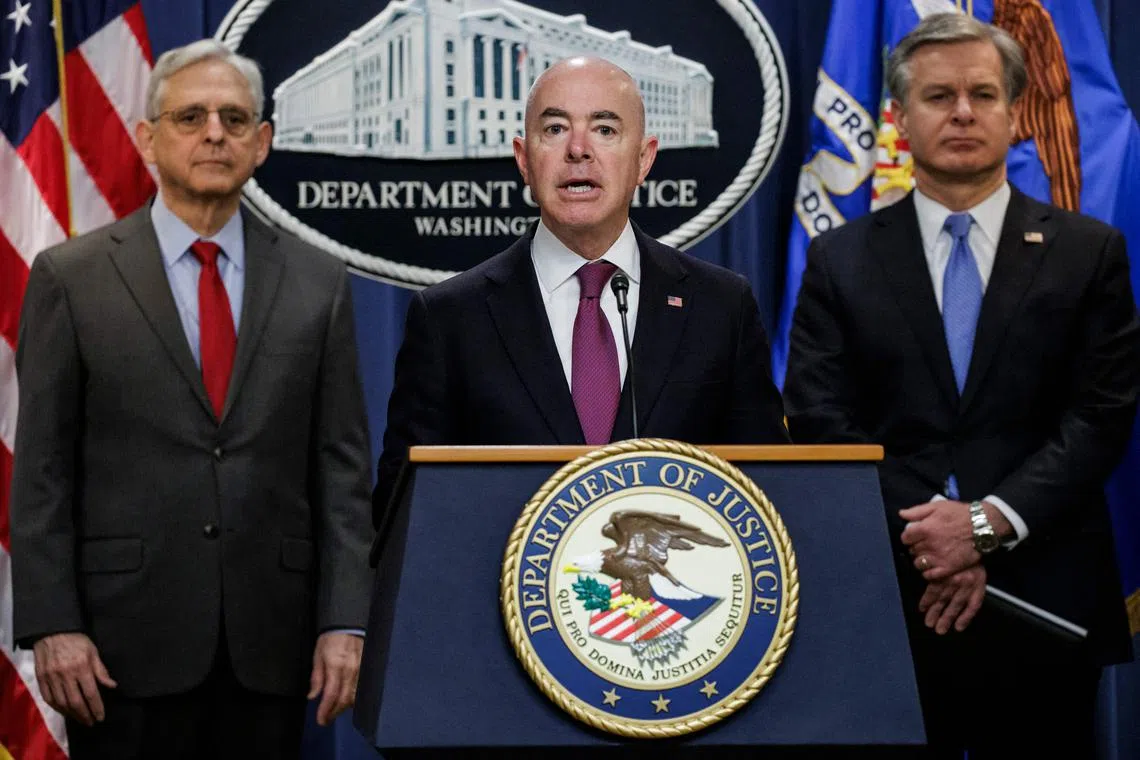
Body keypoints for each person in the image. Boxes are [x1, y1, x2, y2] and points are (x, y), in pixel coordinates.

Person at [784, 12, 1140, 755]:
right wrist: (935, 538)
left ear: (1015, 113)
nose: (964, 112)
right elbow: (820, 420)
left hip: (1045, 593)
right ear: (902, 117)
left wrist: (984, 527)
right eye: (940, 96)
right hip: (891, 592)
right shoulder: (839, 261)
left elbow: (1100, 417)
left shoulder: (1088, 252)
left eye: (983, 93)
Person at [10, 40, 374, 759]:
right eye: (191, 116)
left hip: (273, 652)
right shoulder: (70, 278)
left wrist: (346, 622)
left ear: (262, 142)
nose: (215, 133)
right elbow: (42, 471)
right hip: (117, 654)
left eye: (235, 118)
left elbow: (341, 471)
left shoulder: (318, 282)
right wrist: (53, 623)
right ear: (148, 138)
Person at [373, 56, 789, 522]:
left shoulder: (720, 308)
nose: (578, 149)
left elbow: (768, 493)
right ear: (523, 159)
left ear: (644, 159)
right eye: (554, 129)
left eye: (605, 130)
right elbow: (403, 514)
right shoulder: (450, 318)